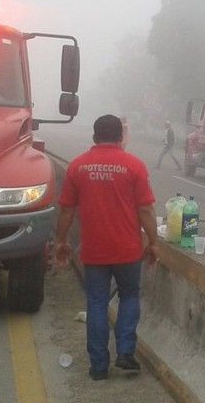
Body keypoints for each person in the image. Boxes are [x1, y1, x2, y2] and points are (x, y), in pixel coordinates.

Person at [54, 115, 159, 381]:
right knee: (129, 297)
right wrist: (154, 242)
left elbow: (66, 210)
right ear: (120, 138)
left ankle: (99, 367)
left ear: (94, 137)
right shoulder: (134, 165)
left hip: (94, 251)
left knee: (97, 303)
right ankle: (125, 353)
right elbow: (145, 209)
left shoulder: (78, 166)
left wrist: (61, 241)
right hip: (127, 250)